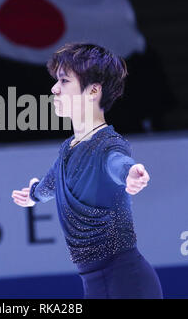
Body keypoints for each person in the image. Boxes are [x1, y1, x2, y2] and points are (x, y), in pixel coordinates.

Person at [12, 43, 163, 299]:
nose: (54, 88)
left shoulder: (107, 145)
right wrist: (33, 195)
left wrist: (130, 172)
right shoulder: (68, 150)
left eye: (64, 80)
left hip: (129, 284)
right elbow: (51, 183)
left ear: (93, 90)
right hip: (94, 286)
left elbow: (116, 163)